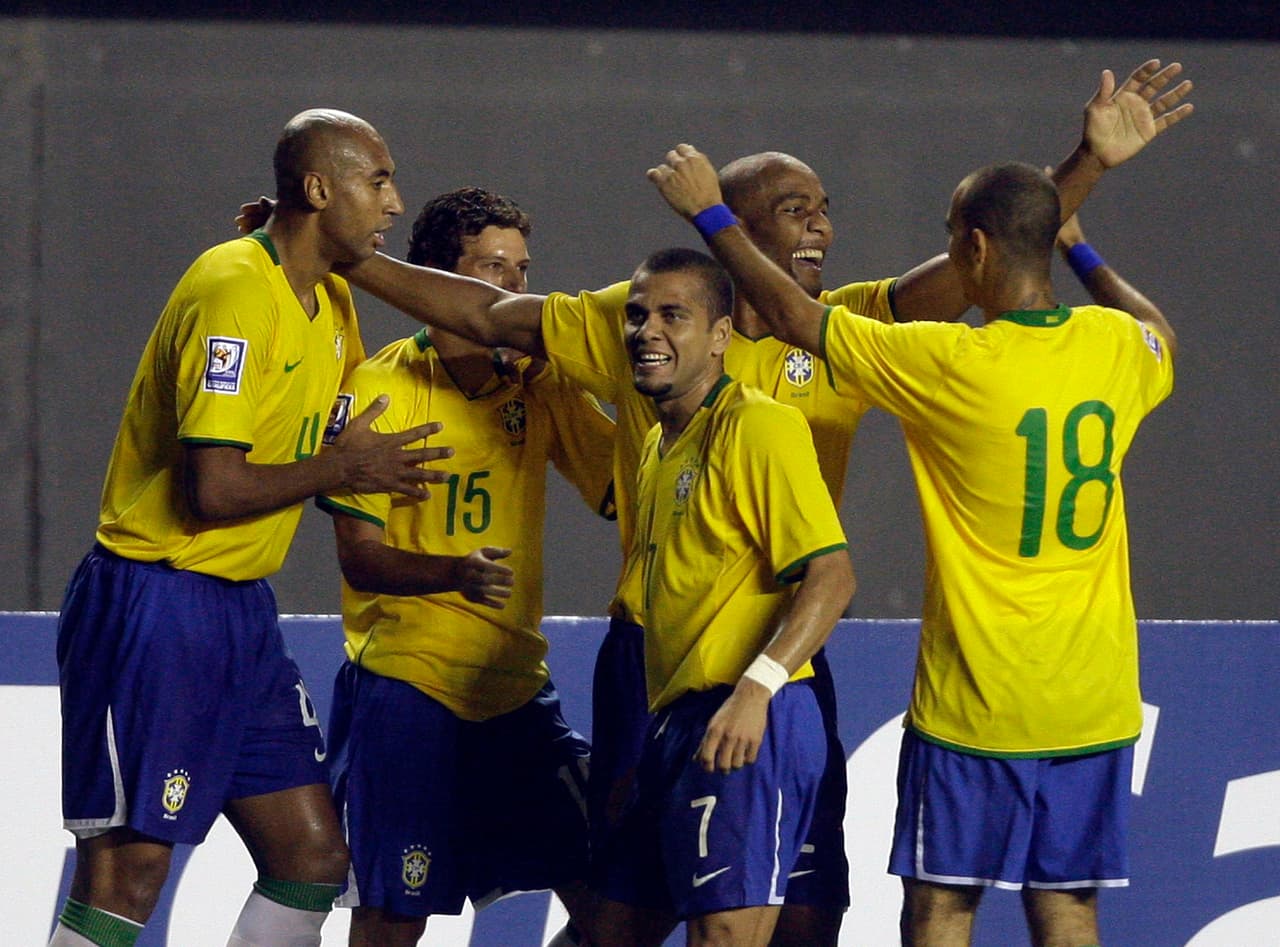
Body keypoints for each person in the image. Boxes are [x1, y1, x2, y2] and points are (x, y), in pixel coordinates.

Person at [297, 53, 1191, 947]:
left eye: (825, 207)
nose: (821, 228)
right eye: (795, 210)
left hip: (782, 658)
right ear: (743, 232)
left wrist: (1087, 168)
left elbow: (991, 253)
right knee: (623, 907)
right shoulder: (653, 318)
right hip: (651, 662)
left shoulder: (850, 332)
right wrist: (344, 256)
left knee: (805, 909)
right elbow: (489, 314)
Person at [648, 144, 1178, 945]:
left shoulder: (947, 360)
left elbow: (796, 321)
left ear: (972, 249)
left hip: (976, 701)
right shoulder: (1113, 347)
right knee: (1069, 908)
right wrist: (1081, 246)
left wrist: (709, 214)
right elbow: (1156, 329)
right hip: (1095, 698)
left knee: (941, 908)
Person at [49, 109, 452, 947]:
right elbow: (215, 487)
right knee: (131, 869)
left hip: (239, 611)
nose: (392, 200)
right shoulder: (234, 287)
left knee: (310, 854)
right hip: (155, 600)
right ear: (316, 189)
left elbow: (335, 439)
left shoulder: (331, 297)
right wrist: (344, 468)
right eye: (375, 180)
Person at [315, 186, 616, 947]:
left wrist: (572, 382)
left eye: (522, 270)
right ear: (440, 281)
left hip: (515, 692)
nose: (514, 290)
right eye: (492, 270)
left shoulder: (536, 384)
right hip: (412, 691)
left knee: (619, 903)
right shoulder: (380, 387)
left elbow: (619, 492)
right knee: (393, 917)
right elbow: (360, 557)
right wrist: (453, 575)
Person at [590, 247, 855, 946]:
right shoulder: (655, 446)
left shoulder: (759, 425)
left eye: (673, 315)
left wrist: (755, 689)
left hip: (749, 717)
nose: (647, 330)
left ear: (719, 335)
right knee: (610, 928)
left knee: (725, 935)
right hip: (677, 724)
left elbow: (832, 575)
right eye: (638, 314)